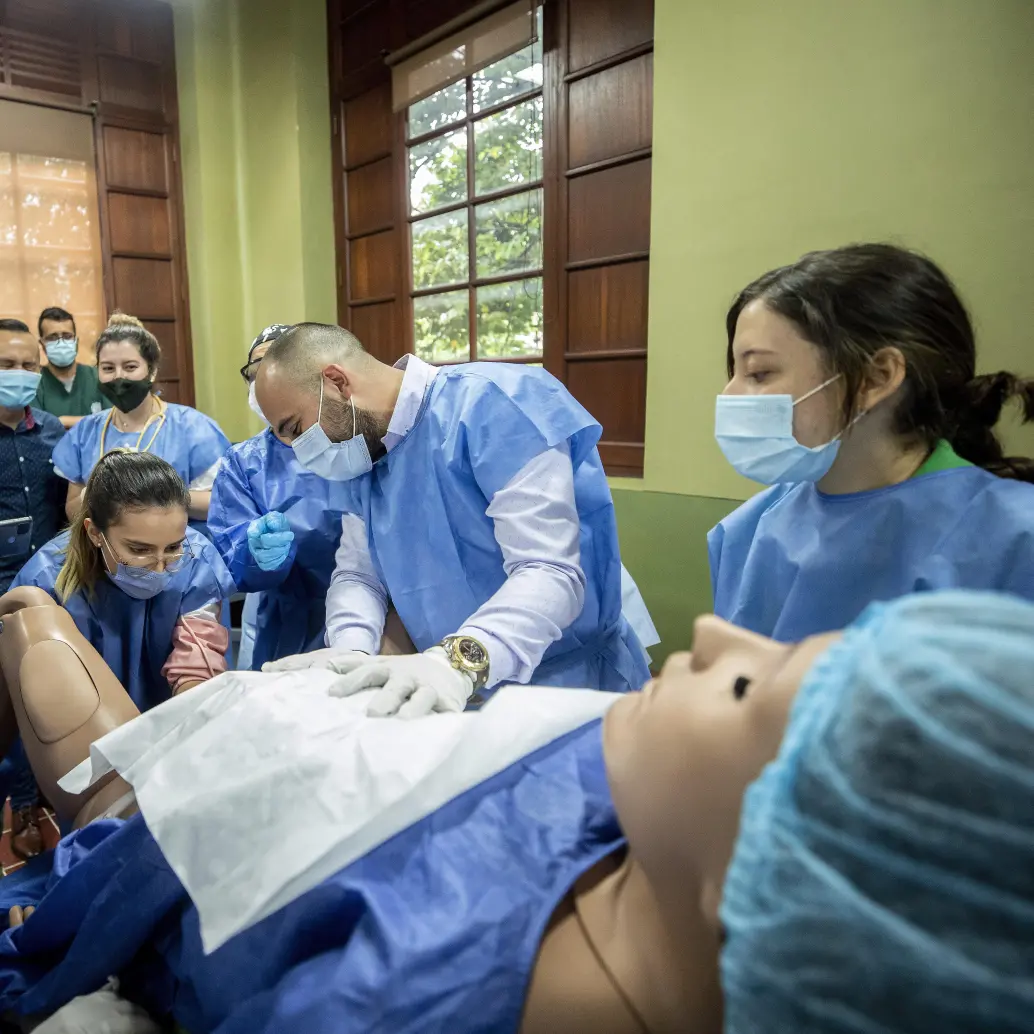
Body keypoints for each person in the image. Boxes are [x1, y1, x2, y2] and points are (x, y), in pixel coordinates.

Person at [0, 589, 1029, 1034]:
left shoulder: (371, 1004)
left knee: (33, 634)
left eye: (748, 691)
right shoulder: (647, 789)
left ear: (767, 886)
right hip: (261, 727)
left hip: (163, 830)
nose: (718, 632)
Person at [255, 323, 650, 714]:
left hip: (567, 689)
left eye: (296, 428)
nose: (298, 450)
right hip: (457, 693)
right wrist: (351, 650)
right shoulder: (361, 457)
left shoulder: (492, 404)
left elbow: (548, 571)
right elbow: (358, 574)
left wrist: (457, 662)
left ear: (337, 382)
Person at [710, 243, 1034, 641]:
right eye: (735, 371)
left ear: (877, 378)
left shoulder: (1013, 539)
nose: (730, 395)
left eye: (759, 373)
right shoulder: (753, 529)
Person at [13, 450, 234, 713]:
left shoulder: (197, 559)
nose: (161, 568)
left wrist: (190, 717)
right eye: (140, 550)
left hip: (166, 722)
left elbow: (197, 658)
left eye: (173, 546)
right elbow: (51, 700)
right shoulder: (45, 583)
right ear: (95, 533)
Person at [209, 324, 357, 669]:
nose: (266, 379)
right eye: (256, 370)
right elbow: (234, 558)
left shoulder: (357, 444)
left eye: (279, 365)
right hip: (287, 621)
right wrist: (258, 553)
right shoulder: (244, 464)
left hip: (376, 613)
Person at [53, 312, 230, 531]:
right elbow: (73, 509)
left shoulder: (193, 428)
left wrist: (158, 496)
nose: (119, 376)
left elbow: (219, 502)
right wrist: (95, 497)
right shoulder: (85, 433)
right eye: (108, 368)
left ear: (152, 371)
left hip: (179, 551)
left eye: (130, 367)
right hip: (103, 552)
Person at [0, 318, 66, 862]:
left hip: (47, 584)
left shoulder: (52, 431)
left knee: (36, 696)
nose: (18, 375)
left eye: (27, 366)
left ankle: (29, 804)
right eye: (6, 365)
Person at [33, 306, 110, 429]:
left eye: (67, 336)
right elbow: (35, 427)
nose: (61, 342)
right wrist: (92, 421)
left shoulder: (98, 377)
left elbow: (113, 420)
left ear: (76, 342)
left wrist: (62, 421)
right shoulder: (35, 383)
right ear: (42, 344)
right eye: (52, 337)